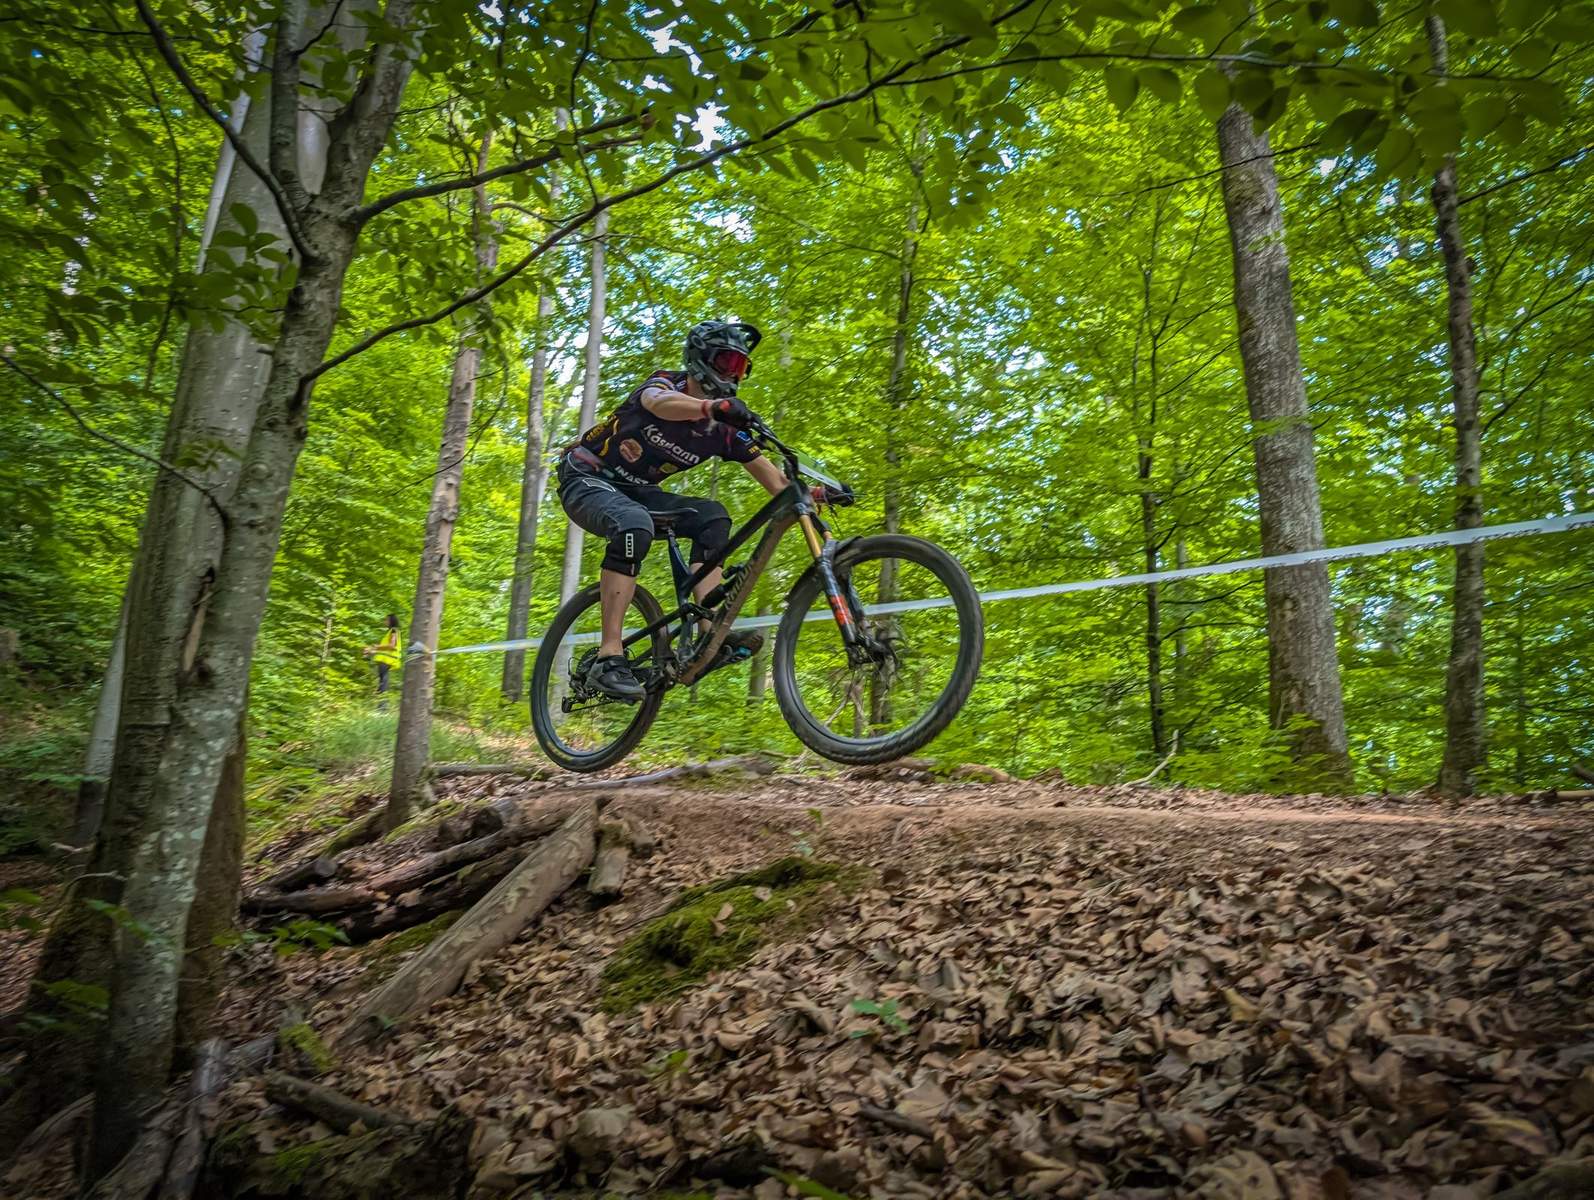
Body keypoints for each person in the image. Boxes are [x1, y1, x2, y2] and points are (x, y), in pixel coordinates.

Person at [558, 319, 792, 700]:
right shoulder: (667, 385)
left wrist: (818, 493)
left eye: (740, 367)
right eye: (726, 362)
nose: (732, 374)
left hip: (638, 491)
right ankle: (608, 656)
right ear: (701, 360)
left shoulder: (724, 430)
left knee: (713, 516)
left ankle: (709, 636)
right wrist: (711, 407)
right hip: (587, 476)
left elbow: (778, 485)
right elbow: (658, 404)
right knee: (633, 524)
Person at [364, 614, 401, 699]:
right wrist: (371, 650)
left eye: (387, 620)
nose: (385, 621)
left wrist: (377, 647)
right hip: (385, 659)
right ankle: (381, 701)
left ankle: (382, 704)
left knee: (383, 681)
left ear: (392, 621)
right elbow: (385, 648)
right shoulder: (391, 631)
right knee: (383, 680)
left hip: (386, 659)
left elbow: (392, 646)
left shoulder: (393, 631)